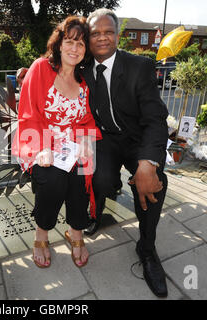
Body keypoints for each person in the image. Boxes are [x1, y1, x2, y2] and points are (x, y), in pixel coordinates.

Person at [81, 8, 169, 297]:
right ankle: (98, 212)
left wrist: (147, 163)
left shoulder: (139, 66)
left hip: (137, 139)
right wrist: (28, 70)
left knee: (156, 182)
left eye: (108, 32)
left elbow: (156, 118)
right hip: (105, 139)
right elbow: (54, 60)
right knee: (99, 179)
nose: (102, 38)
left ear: (118, 36)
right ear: (88, 38)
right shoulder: (82, 67)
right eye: (96, 33)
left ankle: (146, 248)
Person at [12, 16, 101, 269]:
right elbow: (28, 113)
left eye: (81, 44)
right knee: (53, 180)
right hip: (38, 142)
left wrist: (85, 142)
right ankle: (41, 234)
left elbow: (86, 120)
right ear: (59, 44)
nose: (75, 48)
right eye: (70, 41)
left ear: (86, 51)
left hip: (72, 146)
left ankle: (76, 233)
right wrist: (41, 148)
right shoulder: (41, 68)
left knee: (81, 175)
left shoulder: (84, 81)